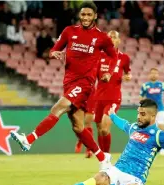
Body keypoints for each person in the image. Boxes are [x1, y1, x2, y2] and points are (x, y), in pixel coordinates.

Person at [10, 2, 117, 169]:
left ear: (95, 16)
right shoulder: (69, 31)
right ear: (79, 15)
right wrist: (56, 53)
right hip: (69, 82)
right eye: (83, 15)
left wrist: (109, 72)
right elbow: (53, 50)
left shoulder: (101, 37)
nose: (86, 18)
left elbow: (113, 56)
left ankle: (29, 139)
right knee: (78, 127)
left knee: (57, 108)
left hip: (85, 83)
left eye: (89, 15)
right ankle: (104, 160)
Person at [45, 99, 164, 185]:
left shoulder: (158, 135)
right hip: (117, 170)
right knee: (96, 180)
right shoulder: (135, 127)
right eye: (138, 113)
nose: (139, 117)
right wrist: (112, 116)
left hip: (136, 178)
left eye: (143, 114)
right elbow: (123, 124)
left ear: (153, 117)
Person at [75, 30, 132, 158]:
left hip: (113, 98)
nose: (111, 39)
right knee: (100, 130)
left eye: (114, 37)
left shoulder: (124, 57)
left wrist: (127, 76)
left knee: (105, 128)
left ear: (119, 41)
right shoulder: (98, 57)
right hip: (98, 98)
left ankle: (106, 155)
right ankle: (103, 158)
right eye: (109, 37)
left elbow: (128, 72)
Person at [140, 68, 164, 155]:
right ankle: (150, 147)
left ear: (158, 75)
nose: (154, 75)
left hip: (160, 109)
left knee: (161, 128)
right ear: (149, 75)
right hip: (149, 110)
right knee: (149, 129)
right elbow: (141, 96)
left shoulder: (161, 84)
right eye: (152, 73)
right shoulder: (145, 85)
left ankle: (163, 147)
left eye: (155, 73)